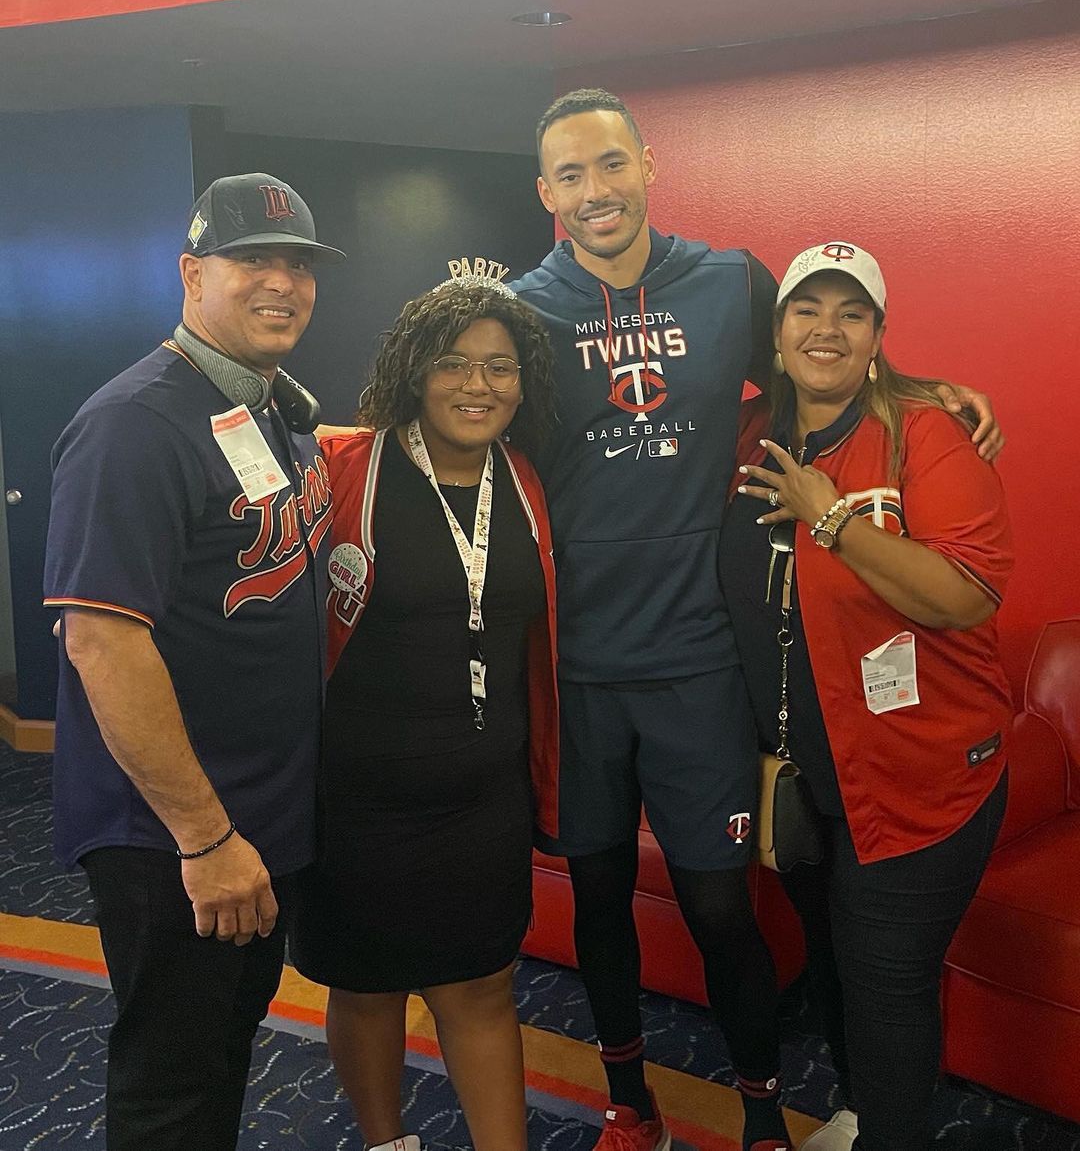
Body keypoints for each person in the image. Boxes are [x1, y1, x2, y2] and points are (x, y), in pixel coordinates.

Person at [509, 88, 1004, 1151]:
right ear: (545, 192)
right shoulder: (519, 306)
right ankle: (628, 1101)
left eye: (611, 165)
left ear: (648, 165)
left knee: (722, 907)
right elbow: (450, 409)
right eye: (571, 174)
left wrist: (932, 394)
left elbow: (821, 350)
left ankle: (764, 1110)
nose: (596, 191)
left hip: (699, 663)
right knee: (596, 896)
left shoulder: (731, 280)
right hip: (576, 663)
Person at [42, 173, 344, 1151]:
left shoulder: (266, 405)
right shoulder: (132, 423)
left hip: (247, 819)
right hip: (172, 832)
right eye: (253, 258)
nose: (282, 282)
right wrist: (206, 838)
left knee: (217, 1054)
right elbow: (99, 640)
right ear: (191, 271)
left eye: (297, 263)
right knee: (173, 1081)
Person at [720, 242, 1012, 1151]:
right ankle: (856, 1113)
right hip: (809, 776)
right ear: (777, 333)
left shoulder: (927, 432)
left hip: (921, 777)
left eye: (852, 313)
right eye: (809, 309)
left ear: (879, 336)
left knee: (887, 983)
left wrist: (833, 518)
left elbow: (967, 593)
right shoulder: (748, 438)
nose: (827, 329)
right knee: (841, 966)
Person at [291, 277, 560, 1151]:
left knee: (481, 987)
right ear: (416, 371)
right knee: (366, 988)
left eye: (499, 367)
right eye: (454, 364)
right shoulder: (344, 467)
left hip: (484, 799)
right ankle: (385, 1142)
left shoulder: (528, 479)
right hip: (359, 795)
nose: (477, 385)